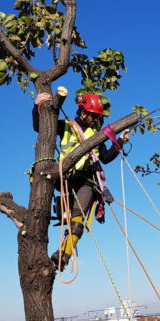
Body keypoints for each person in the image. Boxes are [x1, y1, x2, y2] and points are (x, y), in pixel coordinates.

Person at [33, 90, 129, 271]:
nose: (94, 119)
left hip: (88, 182)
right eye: (92, 115)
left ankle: (63, 255)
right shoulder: (67, 126)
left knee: (77, 223)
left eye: (96, 116)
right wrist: (37, 106)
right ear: (83, 112)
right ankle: (63, 250)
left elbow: (106, 158)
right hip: (66, 178)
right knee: (66, 218)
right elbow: (40, 127)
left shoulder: (97, 134)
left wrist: (121, 142)